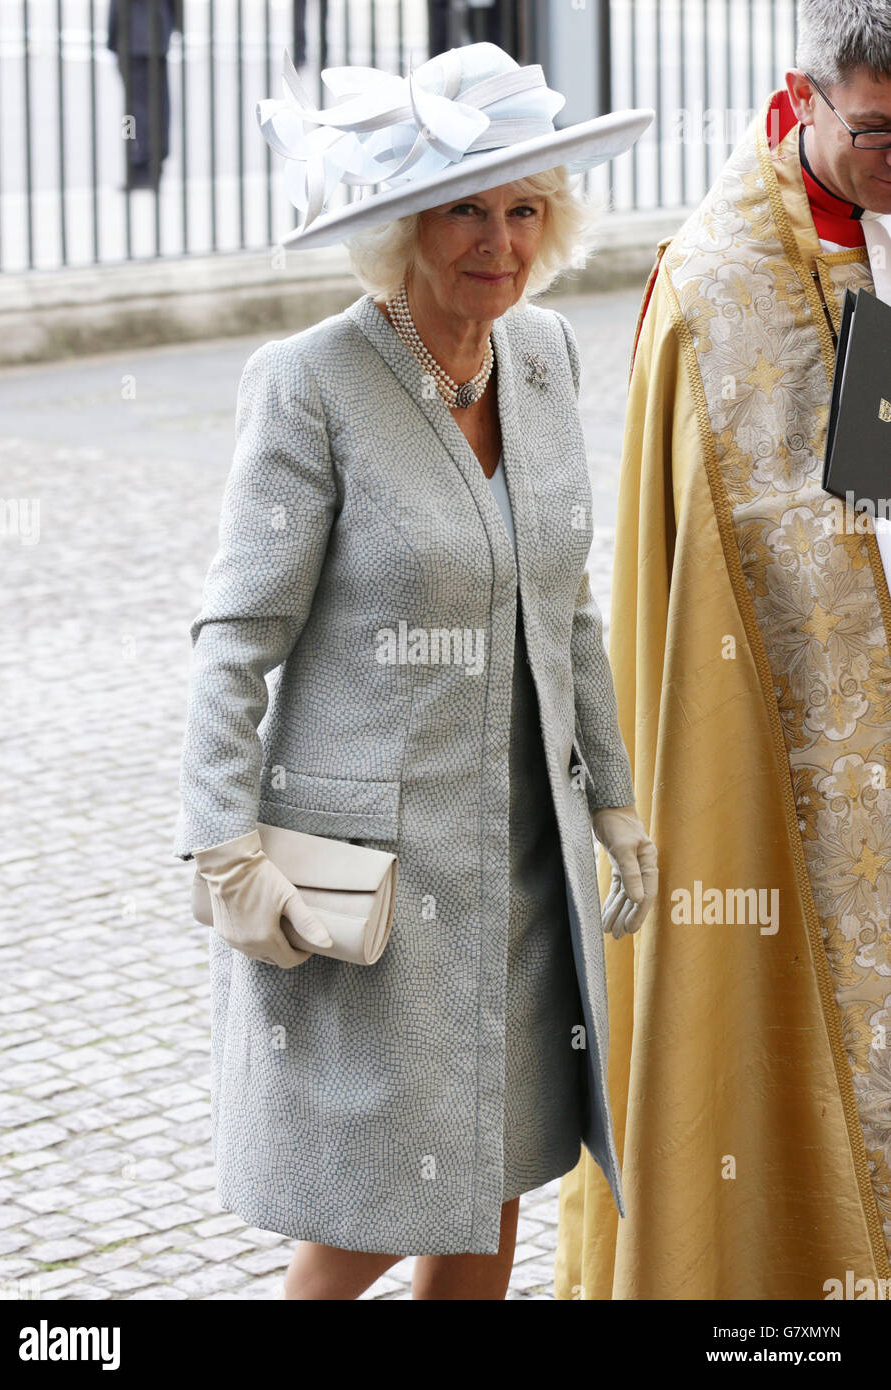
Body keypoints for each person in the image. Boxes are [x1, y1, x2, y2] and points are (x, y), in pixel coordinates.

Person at [173, 41, 657, 1300]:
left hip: (523, 862)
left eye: (520, 209)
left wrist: (612, 795)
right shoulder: (311, 385)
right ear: (398, 226)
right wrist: (224, 850)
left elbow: (566, 604)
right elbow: (236, 639)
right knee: (373, 1202)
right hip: (379, 880)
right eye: (462, 209)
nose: (496, 242)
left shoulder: (541, 354)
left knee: (496, 1182)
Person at [555, 0, 891, 1301]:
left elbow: (868, 467)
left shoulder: (868, 231)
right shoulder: (718, 285)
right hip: (786, 760)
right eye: (874, 133)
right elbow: (714, 581)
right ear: (797, 98)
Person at [107, 0, 182, 190]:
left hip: (130, 36)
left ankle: (139, 160)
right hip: (156, 34)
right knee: (158, 105)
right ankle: (152, 160)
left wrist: (112, 36)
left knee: (133, 110)